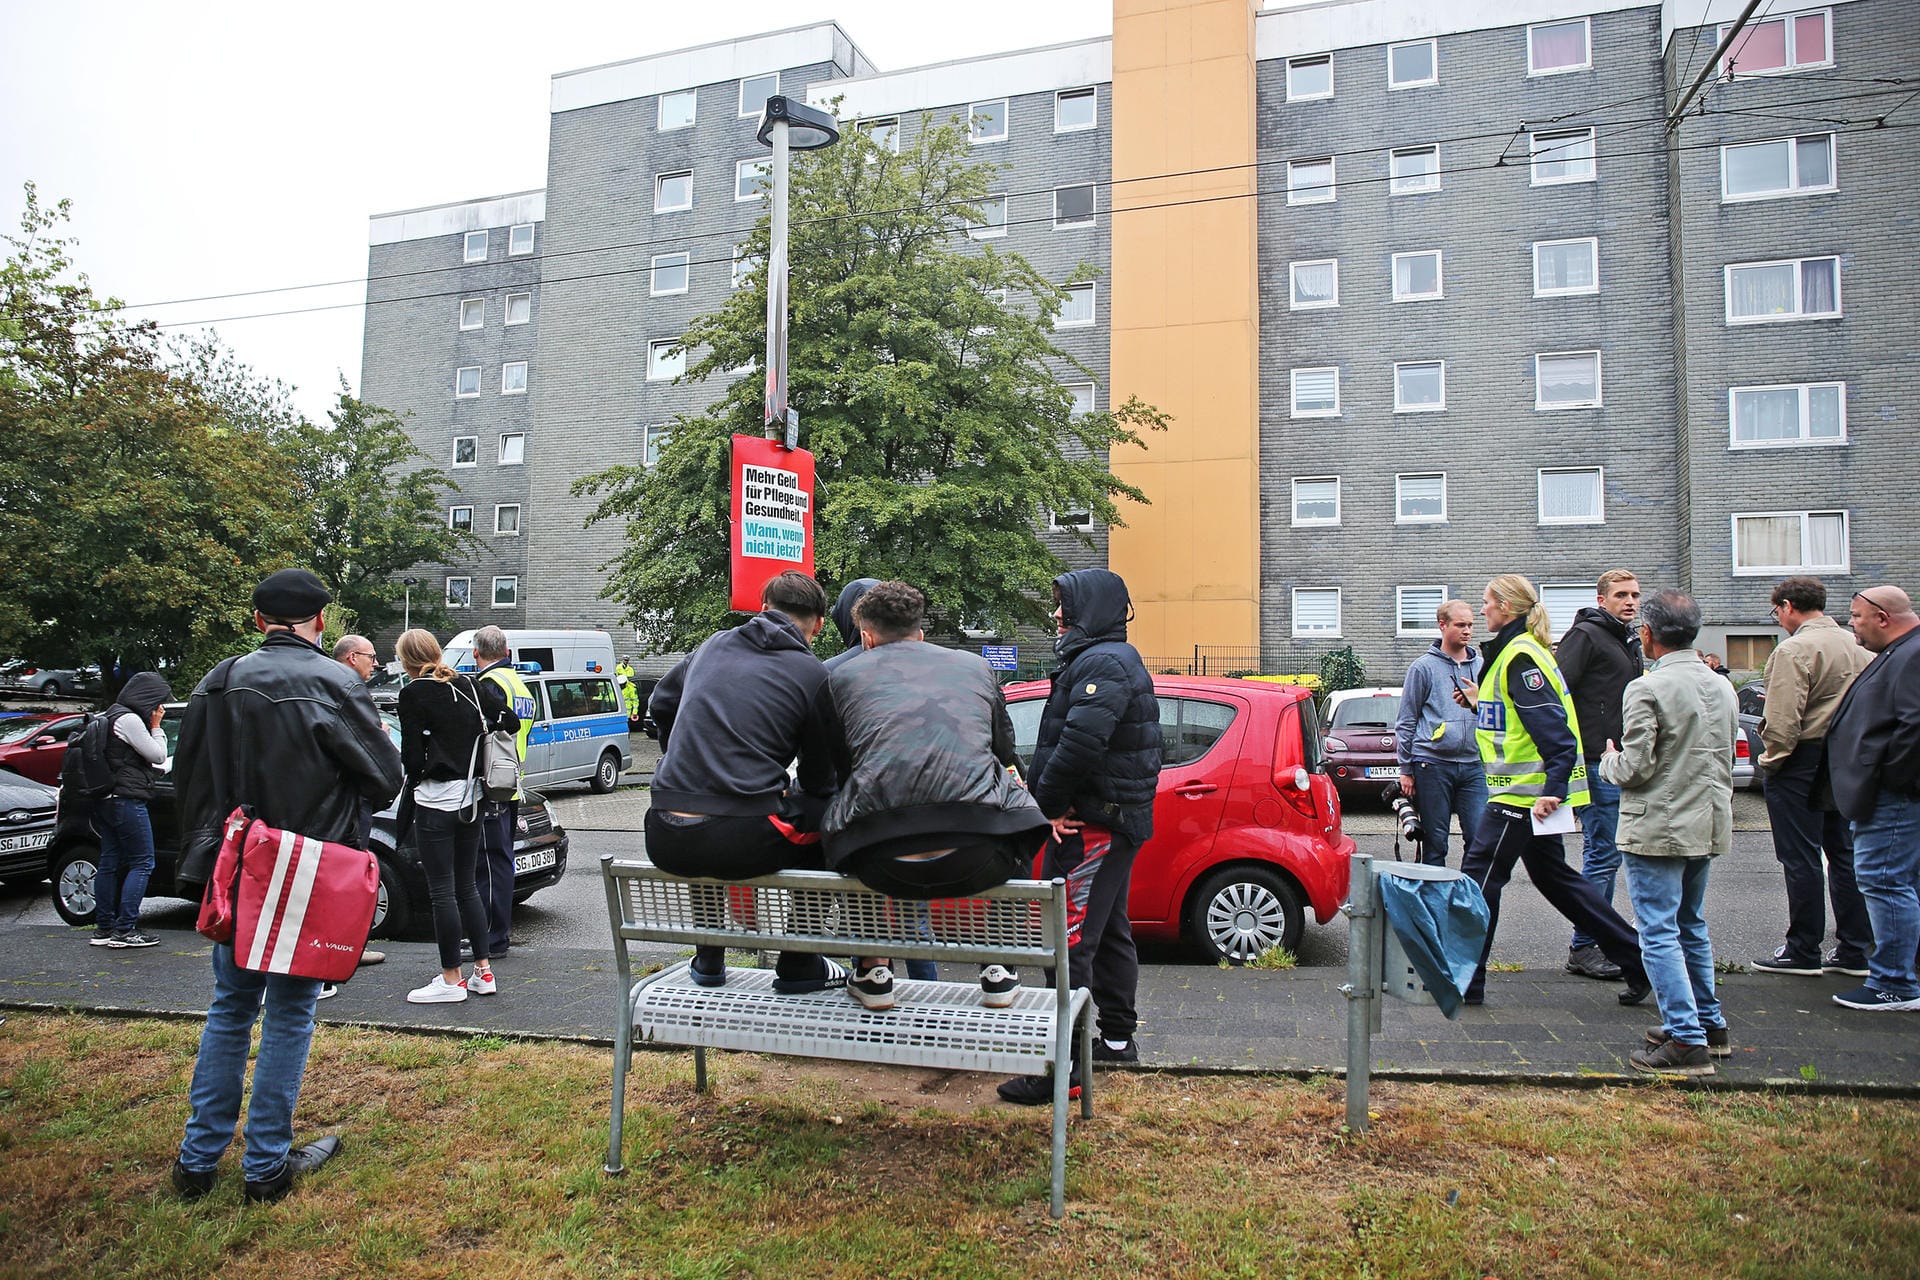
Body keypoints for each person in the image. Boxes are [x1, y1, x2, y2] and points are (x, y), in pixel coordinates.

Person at [171, 568, 404, 1203]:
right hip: (307, 866)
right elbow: (386, 779)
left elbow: (189, 778)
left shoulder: (218, 681)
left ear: (258, 621)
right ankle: (266, 1164)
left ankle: (198, 1161)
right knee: (290, 1010)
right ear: (320, 622)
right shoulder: (334, 682)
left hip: (239, 863)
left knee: (230, 1007)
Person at [814, 581, 1051, 1010]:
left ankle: (873, 969)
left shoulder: (836, 677)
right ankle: (999, 963)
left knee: (839, 814)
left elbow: (837, 768)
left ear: (866, 637)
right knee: (1019, 804)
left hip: (880, 862)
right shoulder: (976, 668)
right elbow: (1004, 752)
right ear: (920, 632)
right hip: (978, 857)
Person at [999, 569, 1160, 1106]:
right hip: (1110, 819)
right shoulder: (1105, 659)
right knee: (1109, 930)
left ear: (1086, 609)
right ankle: (1116, 1038)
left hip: (1093, 823)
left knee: (1068, 943)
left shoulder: (1102, 662)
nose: (1056, 615)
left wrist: (1044, 808)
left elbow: (1081, 743)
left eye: (1062, 606)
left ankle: (1062, 1068)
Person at [1455, 574, 1650, 1007]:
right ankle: (1639, 961)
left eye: (1487, 602)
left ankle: (1467, 981)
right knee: (1557, 880)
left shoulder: (1520, 656)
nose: (1482, 609)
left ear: (1506, 607)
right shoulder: (1514, 652)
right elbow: (1518, 719)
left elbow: (1556, 735)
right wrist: (1477, 701)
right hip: (1527, 793)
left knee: (1480, 877)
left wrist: (1554, 790)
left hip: (1525, 796)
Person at [644, 570, 842, 993]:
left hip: (663, 832)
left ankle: (709, 957)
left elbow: (661, 702)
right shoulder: (812, 674)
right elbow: (820, 778)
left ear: (763, 608)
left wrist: (678, 757)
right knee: (830, 819)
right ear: (819, 625)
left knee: (711, 809)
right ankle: (799, 962)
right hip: (741, 840)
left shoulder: (712, 645)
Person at [1597, 590, 1738, 1075]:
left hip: (1658, 823)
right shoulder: (1722, 685)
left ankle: (1685, 1038)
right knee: (1690, 924)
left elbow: (1636, 767)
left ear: (1647, 634)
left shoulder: (1646, 687)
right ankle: (1707, 1022)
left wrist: (1607, 761)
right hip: (1708, 818)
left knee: (1657, 930)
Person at [1753, 576, 1873, 977]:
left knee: (1800, 855)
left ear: (1788, 606)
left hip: (1802, 759)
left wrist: (1772, 761)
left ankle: (1802, 949)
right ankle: (1856, 948)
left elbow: (1784, 718)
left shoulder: (1795, 649)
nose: (1779, 620)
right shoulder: (1858, 646)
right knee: (1844, 853)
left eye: (1777, 612)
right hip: (1849, 757)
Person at [823, 576, 939, 984]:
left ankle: (872, 986)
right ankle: (928, 996)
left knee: (862, 917)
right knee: (915, 920)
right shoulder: (933, 671)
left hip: (856, 819)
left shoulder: (832, 673)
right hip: (915, 817)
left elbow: (823, 757)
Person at [395, 628, 516, 1004]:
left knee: (442, 891)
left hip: (435, 802)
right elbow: (509, 721)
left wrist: (432, 752)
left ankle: (451, 979)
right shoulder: (469, 686)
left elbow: (412, 760)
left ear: (406, 661)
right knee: (467, 886)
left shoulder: (413, 693)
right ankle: (484, 972)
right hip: (473, 799)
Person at [1822, 587, 1920, 1012]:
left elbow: (1913, 725)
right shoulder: (1900, 651)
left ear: (1883, 617)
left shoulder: (1912, 655)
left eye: (1857, 616)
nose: (1851, 623)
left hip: (1892, 795)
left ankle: (1894, 983)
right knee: (1896, 881)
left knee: (1884, 880)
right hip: (1886, 791)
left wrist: (1888, 778)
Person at [1553, 569, 1643, 982]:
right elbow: (1557, 690)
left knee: (1610, 851)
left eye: (1635, 595)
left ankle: (1599, 938)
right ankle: (1585, 945)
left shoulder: (1625, 637)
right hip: (1593, 759)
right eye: (1622, 595)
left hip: (1618, 760)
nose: (1631, 601)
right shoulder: (1587, 635)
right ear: (1601, 599)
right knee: (1603, 852)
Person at [1395, 599, 1486, 868]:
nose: (1467, 630)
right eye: (1460, 625)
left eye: (1470, 624)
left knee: (1480, 840)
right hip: (1432, 764)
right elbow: (1407, 720)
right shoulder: (1423, 668)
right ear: (1442, 625)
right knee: (1436, 842)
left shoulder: (1482, 666)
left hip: (1473, 765)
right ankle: (1434, 905)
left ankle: (1470, 904)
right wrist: (1406, 768)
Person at [87, 671, 173, 948]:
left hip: (106, 799)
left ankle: (104, 928)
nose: (158, 708)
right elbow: (158, 755)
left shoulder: (110, 715)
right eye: (158, 702)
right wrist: (157, 726)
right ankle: (125, 930)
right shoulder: (129, 720)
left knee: (110, 860)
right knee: (143, 862)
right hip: (126, 799)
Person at [326, 633, 390, 986]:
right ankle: (342, 948)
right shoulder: (346, 691)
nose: (375, 664)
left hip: (341, 800)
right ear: (352, 657)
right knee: (346, 875)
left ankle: (344, 945)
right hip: (348, 801)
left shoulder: (330, 686)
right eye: (370, 657)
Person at [472, 626, 533, 958]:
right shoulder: (520, 684)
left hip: (493, 784)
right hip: (512, 782)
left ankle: (492, 939)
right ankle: (496, 935)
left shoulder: (489, 685)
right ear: (506, 652)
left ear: (476, 654)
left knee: (490, 865)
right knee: (501, 862)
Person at [616, 655, 641, 727]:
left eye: (627, 660)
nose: (626, 661)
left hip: (627, 713)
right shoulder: (618, 668)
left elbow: (635, 701)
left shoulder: (630, 669)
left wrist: (634, 713)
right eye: (625, 660)